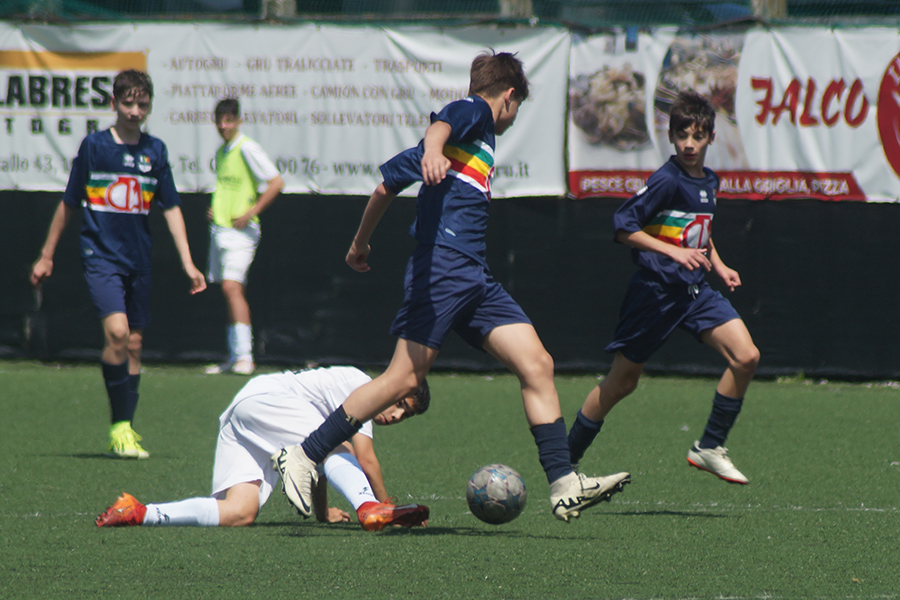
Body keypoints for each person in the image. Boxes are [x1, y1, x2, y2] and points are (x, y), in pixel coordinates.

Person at [272, 50, 630, 524]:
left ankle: (564, 483)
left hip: (474, 276)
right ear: (509, 96)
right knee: (402, 379)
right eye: (516, 107)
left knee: (537, 363)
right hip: (443, 266)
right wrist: (434, 147)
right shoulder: (476, 112)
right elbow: (444, 122)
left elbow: (383, 188)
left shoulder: (455, 148)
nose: (512, 116)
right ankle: (304, 454)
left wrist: (359, 245)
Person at [567, 90, 761, 485]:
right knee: (622, 383)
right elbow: (623, 226)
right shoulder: (666, 179)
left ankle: (709, 446)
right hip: (654, 293)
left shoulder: (709, 180)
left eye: (698, 136)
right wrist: (672, 252)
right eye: (682, 135)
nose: (689, 144)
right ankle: (563, 463)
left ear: (711, 138)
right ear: (671, 136)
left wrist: (720, 266)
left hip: (694, 292)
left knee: (746, 357)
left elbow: (699, 230)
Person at [30, 69, 206, 460]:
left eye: (142, 104)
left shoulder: (155, 151)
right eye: (127, 103)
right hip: (100, 256)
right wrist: (46, 254)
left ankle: (126, 428)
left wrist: (188, 263)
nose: (134, 111)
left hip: (138, 260)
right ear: (113, 103)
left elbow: (171, 207)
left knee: (135, 343)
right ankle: (119, 428)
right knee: (118, 333)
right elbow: (69, 202)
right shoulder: (94, 147)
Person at [95, 366, 431, 531]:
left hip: (243, 412)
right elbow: (365, 460)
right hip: (269, 399)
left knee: (239, 512)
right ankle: (370, 508)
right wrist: (387, 508)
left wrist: (323, 512)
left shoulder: (360, 395)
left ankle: (138, 512)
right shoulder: (365, 387)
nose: (396, 415)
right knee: (337, 445)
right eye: (400, 403)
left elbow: (315, 457)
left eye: (406, 415)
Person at [204, 98, 284, 377]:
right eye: (219, 120)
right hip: (221, 231)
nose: (223, 126)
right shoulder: (222, 151)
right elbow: (228, 189)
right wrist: (216, 209)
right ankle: (234, 356)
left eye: (229, 120)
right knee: (229, 290)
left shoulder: (247, 147)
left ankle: (245, 358)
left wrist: (251, 212)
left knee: (232, 287)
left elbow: (276, 182)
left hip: (242, 233)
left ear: (238, 121)